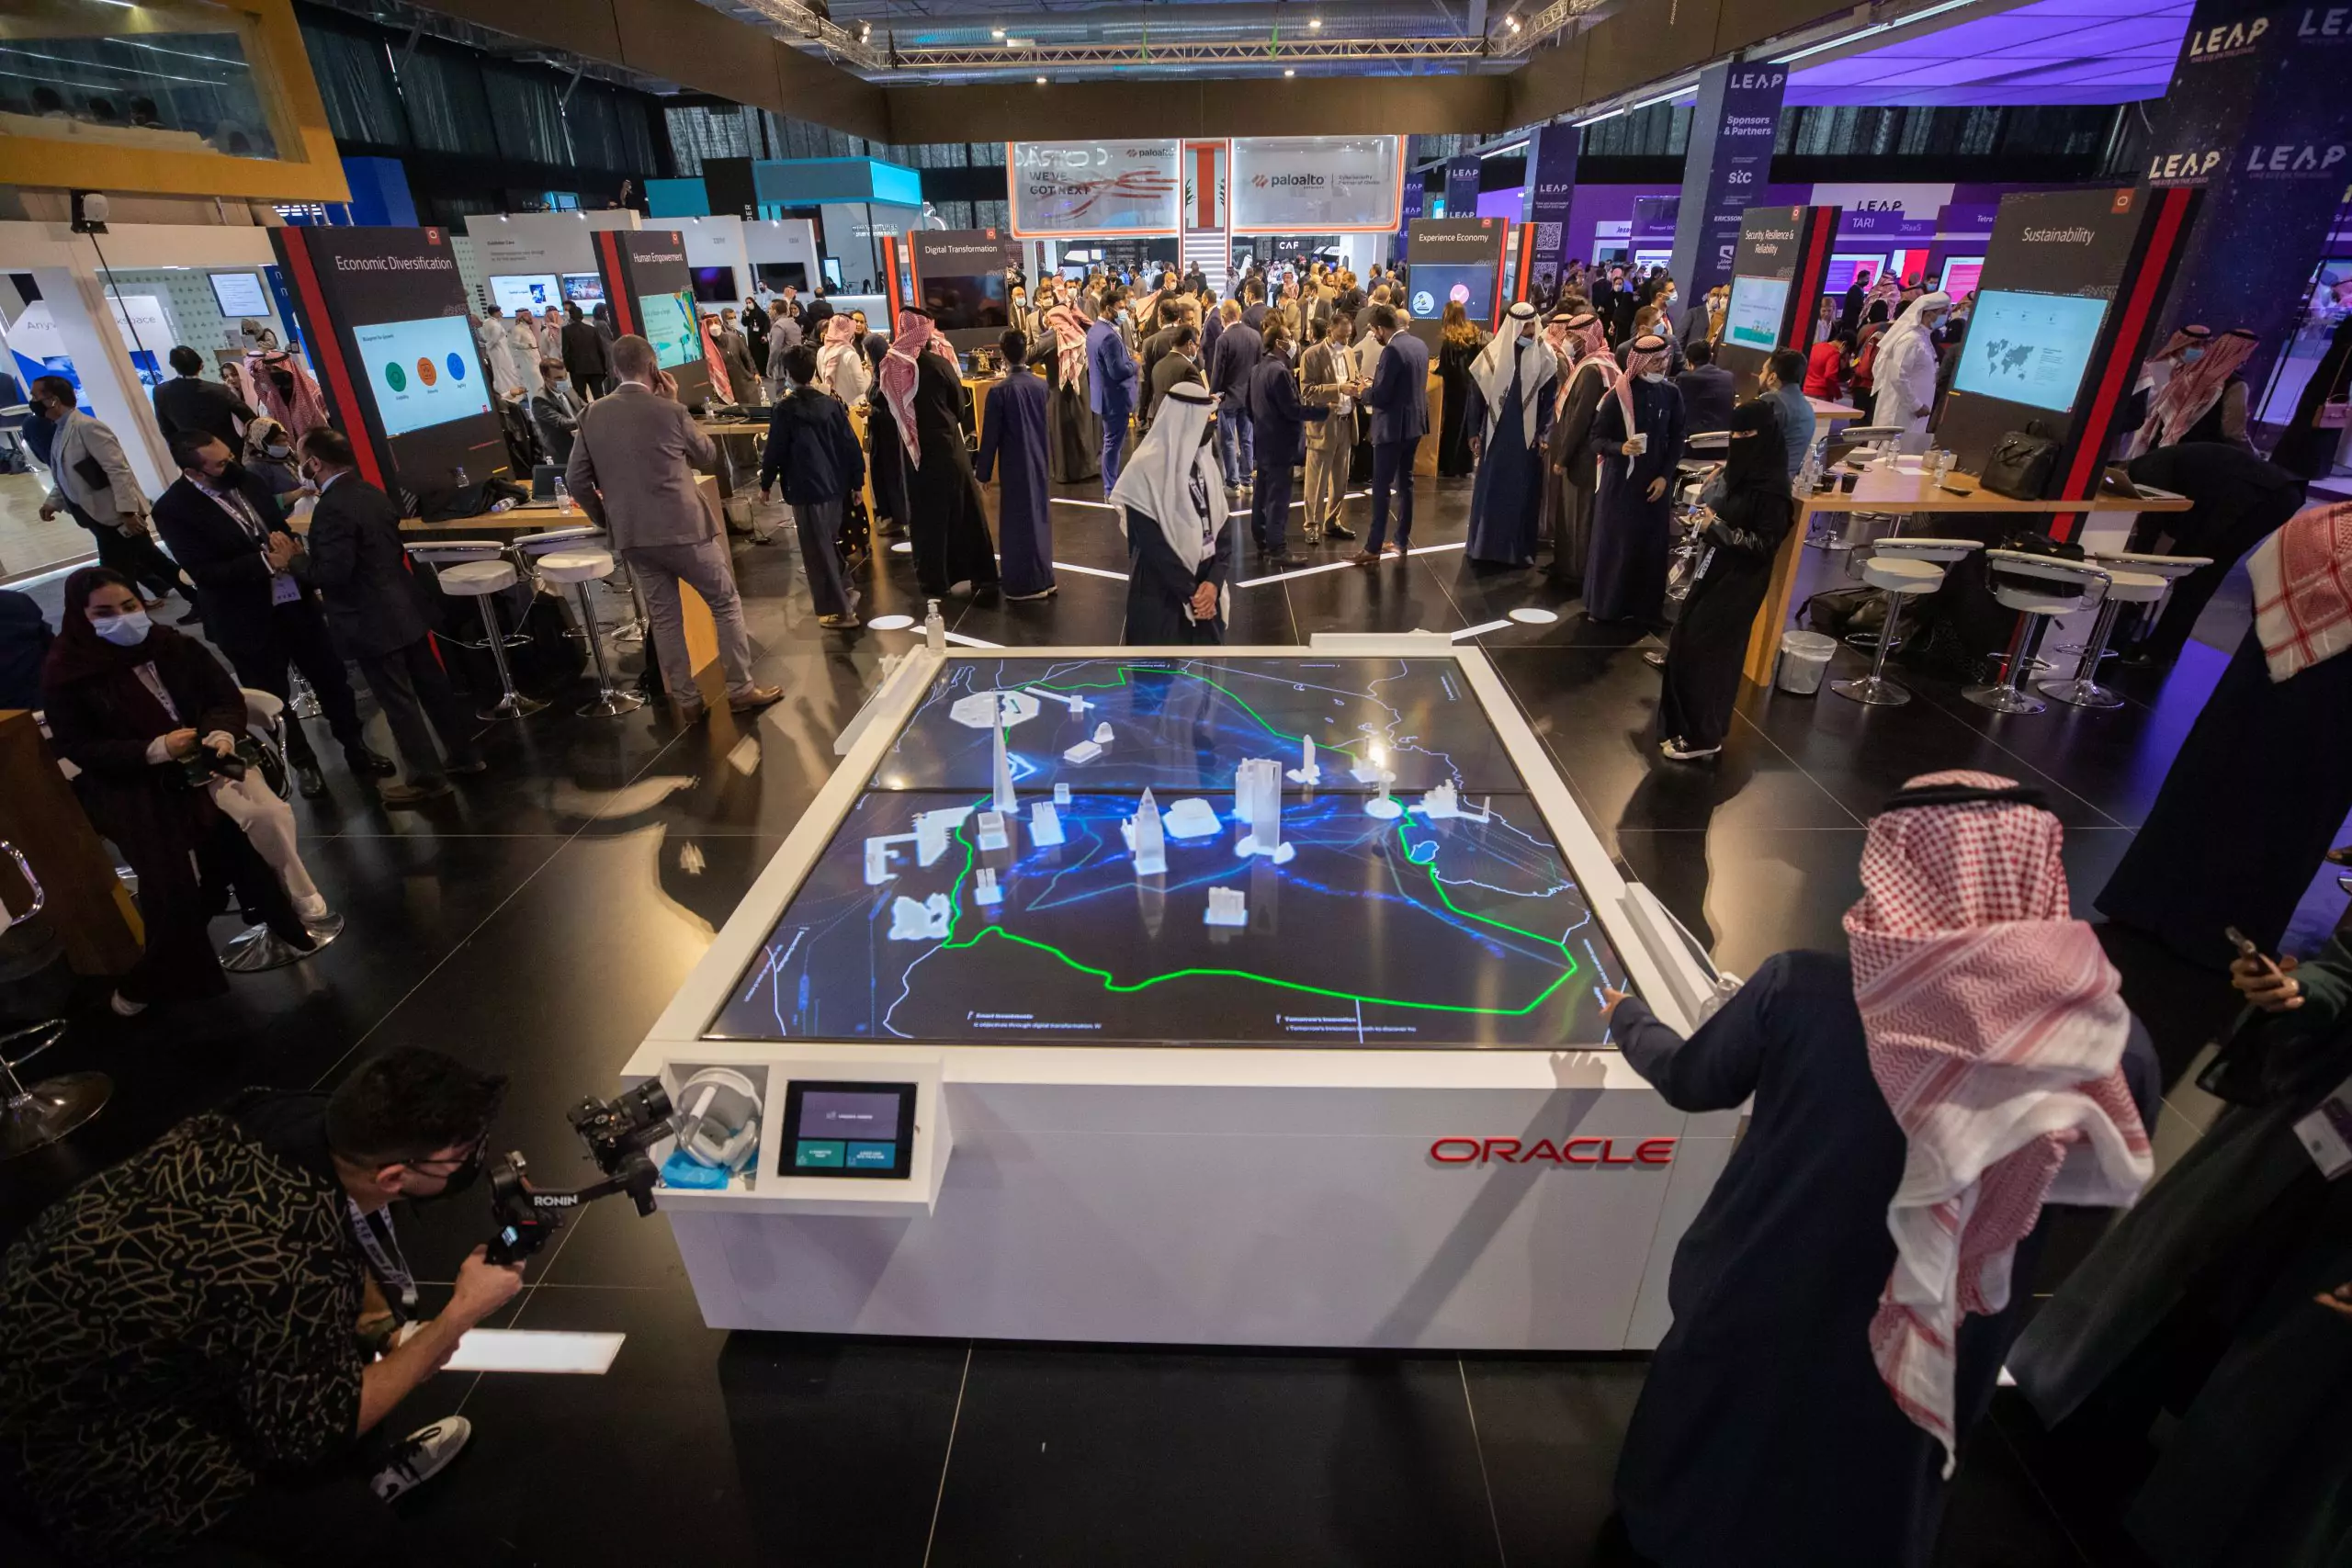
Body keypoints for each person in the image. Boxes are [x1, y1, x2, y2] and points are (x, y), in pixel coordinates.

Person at [1606, 771, 2157, 1568]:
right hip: (1941, 1325)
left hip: (1763, 1285)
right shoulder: (2114, 1049)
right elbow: (2079, 1204)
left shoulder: (1803, 989)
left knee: (1710, 1457)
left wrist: (1629, 1021)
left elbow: (1693, 1080)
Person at [0, 1043, 524, 1566]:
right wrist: (459, 1314)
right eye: (460, 1155)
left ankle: (364, 1470)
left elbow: (339, 1235)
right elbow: (314, 1431)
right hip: (77, 1453)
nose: (472, 1161)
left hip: (69, 1325)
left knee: (343, 1357)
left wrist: (380, 1323)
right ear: (392, 1178)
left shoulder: (279, 1117)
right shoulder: (288, 1261)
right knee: (352, 1528)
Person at [2010, 931, 2352, 1568]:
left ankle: (2190, 1517)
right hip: (2313, 1128)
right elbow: (2345, 970)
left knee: (2295, 1370)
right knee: (2193, 1274)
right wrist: (2297, 991)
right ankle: (2092, 1426)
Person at [39, 568, 322, 1012]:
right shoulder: (69, 673)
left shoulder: (174, 645)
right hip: (134, 781)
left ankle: (293, 901)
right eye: (104, 613)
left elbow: (223, 698)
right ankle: (161, 975)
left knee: (258, 819)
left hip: (206, 763)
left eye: (129, 606)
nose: (122, 618)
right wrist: (154, 749)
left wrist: (221, 733)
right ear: (80, 617)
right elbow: (79, 746)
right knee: (173, 878)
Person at [2096, 500, 2352, 965]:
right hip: (2333, 690)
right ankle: (2224, 936)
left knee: (2214, 767)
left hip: (2280, 632)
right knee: (2292, 800)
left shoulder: (2322, 523)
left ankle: (2147, 902)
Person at [152, 430, 388, 798]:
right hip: (244, 617)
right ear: (194, 472)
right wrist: (265, 562)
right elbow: (203, 572)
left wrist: (291, 551)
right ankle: (303, 763)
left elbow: (276, 526)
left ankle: (356, 747)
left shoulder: (247, 480)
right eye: (220, 464)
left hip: (294, 601)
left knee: (331, 677)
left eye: (230, 456)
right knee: (271, 696)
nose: (231, 465)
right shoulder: (172, 509)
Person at [564, 334, 783, 720]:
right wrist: (675, 403)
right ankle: (740, 689)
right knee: (724, 602)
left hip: (634, 536)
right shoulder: (670, 411)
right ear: (653, 368)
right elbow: (707, 454)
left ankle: (688, 700)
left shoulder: (591, 414)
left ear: (615, 369)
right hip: (684, 529)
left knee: (665, 618)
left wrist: (608, 518)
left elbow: (576, 479)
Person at [300, 430, 487, 804]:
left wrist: (293, 561)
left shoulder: (331, 508)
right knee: (434, 688)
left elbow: (333, 573)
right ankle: (465, 756)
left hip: (370, 618)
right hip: (405, 605)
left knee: (399, 702)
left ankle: (427, 779)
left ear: (315, 463)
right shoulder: (370, 492)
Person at [1656, 400, 1795, 761]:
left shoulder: (1773, 489)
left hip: (1741, 581)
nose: (1739, 440)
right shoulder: (1741, 472)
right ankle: (1690, 727)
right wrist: (1709, 518)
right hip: (1716, 567)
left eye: (1747, 433)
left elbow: (1764, 545)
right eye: (1735, 433)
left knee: (1710, 653)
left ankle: (1704, 735)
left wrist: (1715, 527)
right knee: (1689, 641)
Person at [27, 375, 202, 618]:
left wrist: (128, 512)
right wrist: (53, 501)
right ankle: (198, 600)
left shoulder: (87, 427)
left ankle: (136, 619)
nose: (32, 400)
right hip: (97, 515)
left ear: (53, 399)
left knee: (116, 574)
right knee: (151, 559)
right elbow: (65, 473)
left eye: (36, 395)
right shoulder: (61, 430)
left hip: (116, 516)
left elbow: (118, 470)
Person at [2118, 441, 2308, 665]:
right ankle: (2155, 645)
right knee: (2190, 567)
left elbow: (2152, 523)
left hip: (2264, 498)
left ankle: (2159, 652)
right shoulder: (2155, 463)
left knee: (2200, 576)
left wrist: (2138, 569)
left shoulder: (2145, 469)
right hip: (2256, 495)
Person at [880, 309, 1001, 600]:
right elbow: (959, 407)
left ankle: (934, 582)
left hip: (913, 453)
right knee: (965, 511)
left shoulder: (888, 366)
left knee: (926, 519)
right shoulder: (938, 364)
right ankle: (981, 575)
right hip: (946, 447)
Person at [757, 343, 865, 629]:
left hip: (805, 489)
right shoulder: (832, 404)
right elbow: (850, 445)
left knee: (817, 552)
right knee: (827, 542)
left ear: (788, 374)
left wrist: (765, 483)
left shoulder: (784, 409)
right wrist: (857, 483)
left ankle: (841, 612)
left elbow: (775, 450)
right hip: (835, 486)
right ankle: (846, 590)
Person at [1582, 334, 1687, 625]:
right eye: (1656, 361)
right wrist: (1621, 448)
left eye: (1665, 360)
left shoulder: (1671, 394)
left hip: (1656, 484)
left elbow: (1678, 437)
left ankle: (1644, 609)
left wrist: (1665, 477)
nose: (1663, 366)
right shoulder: (1618, 395)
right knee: (1617, 545)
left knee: (1650, 546)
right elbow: (1596, 439)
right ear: (1639, 363)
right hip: (1621, 484)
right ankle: (1607, 608)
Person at [1115, 383, 1230, 645]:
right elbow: (1153, 546)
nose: (1210, 425)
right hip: (1161, 600)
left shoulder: (1205, 462)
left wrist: (1213, 582)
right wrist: (1194, 594)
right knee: (1158, 671)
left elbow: (1223, 528)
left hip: (1205, 593)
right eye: (1205, 418)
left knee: (1207, 670)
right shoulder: (1143, 470)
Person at [1463, 302, 1556, 570]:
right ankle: (1483, 547)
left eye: (1532, 325)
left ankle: (1516, 552)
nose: (1530, 331)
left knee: (1521, 492)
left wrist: (1545, 432)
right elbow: (1476, 397)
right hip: (1496, 435)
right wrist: (1473, 431)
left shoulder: (1545, 355)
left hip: (1526, 439)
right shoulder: (1492, 354)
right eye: (1524, 327)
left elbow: (1550, 401)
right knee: (1491, 490)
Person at [975, 329, 1057, 602]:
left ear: (1002, 354)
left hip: (1015, 464)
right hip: (1040, 461)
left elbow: (990, 437)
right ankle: (1045, 577)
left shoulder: (999, 392)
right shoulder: (1040, 386)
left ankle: (1025, 584)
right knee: (1040, 518)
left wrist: (983, 473)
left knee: (1018, 523)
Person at [1543, 311, 1616, 591]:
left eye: (1574, 336)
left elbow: (1580, 419)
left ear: (1587, 338)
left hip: (1582, 456)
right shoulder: (1603, 363)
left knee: (1578, 515)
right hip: (1588, 454)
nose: (1569, 341)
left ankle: (1573, 570)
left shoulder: (1591, 370)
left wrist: (1562, 458)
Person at [1356, 304, 1430, 565]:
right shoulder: (1420, 345)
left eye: (1373, 331)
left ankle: (1372, 548)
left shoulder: (1392, 351)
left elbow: (1381, 395)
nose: (1374, 335)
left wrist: (1362, 391)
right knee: (1406, 484)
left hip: (1392, 428)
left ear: (1380, 329)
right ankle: (1400, 541)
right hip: (1414, 425)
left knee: (1381, 487)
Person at [1244, 317, 1316, 567]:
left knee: (1262, 495)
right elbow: (1293, 410)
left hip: (1263, 442)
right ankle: (1277, 548)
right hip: (1281, 446)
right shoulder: (1280, 372)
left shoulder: (1257, 369)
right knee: (1278, 499)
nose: (1293, 342)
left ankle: (1262, 541)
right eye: (1288, 338)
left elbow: (1249, 408)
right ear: (1278, 342)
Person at [2129, 326, 2259, 455]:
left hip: (2161, 446)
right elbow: (2233, 431)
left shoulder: (2189, 372)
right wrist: (2254, 455)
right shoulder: (2235, 385)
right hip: (2194, 454)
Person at [1298, 312, 1360, 545]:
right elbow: (1307, 391)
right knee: (1317, 481)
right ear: (1330, 331)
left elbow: (1354, 380)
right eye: (1342, 336)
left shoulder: (1350, 353)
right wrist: (1338, 388)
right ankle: (1311, 525)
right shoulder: (1312, 355)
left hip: (1346, 423)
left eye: (1348, 335)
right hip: (1323, 426)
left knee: (1340, 481)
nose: (1345, 340)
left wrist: (1359, 386)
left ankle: (1332, 522)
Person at [2274, 311, 2352, 479]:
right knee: (2319, 426)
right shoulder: (2344, 351)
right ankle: (2308, 465)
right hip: (2333, 390)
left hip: (2326, 387)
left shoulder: (2339, 349)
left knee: (2313, 423)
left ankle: (2295, 461)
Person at [1870, 291, 1950, 449]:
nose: (1946, 317)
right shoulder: (1910, 340)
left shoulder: (1923, 338)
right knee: (1887, 453)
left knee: (1904, 454)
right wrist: (1916, 404)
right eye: (1943, 312)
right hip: (1900, 411)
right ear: (1929, 314)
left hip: (1913, 413)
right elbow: (1898, 376)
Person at [1037, 296, 1102, 485]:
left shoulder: (1051, 337)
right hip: (1082, 392)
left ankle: (1064, 474)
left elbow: (1029, 355)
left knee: (1063, 435)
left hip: (1059, 394)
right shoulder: (1080, 334)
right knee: (1083, 431)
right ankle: (1087, 469)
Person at [1087, 288, 1139, 496]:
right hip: (1115, 399)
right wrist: (1136, 363)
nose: (1124, 311)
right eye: (1121, 308)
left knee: (1111, 443)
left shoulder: (1095, 330)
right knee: (1113, 445)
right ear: (1108, 309)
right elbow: (1117, 372)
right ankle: (1111, 489)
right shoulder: (1108, 336)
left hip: (1104, 396)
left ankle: (1111, 486)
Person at [153, 344, 254, 448]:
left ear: (172, 365)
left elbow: (166, 430)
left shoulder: (160, 392)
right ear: (201, 365)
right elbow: (248, 416)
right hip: (229, 449)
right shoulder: (219, 390)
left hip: (193, 452)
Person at [1209, 299, 1261, 498]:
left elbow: (1218, 373)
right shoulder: (1255, 336)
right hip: (1249, 397)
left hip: (1228, 398)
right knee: (1247, 439)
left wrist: (1213, 396)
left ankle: (1233, 484)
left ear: (1223, 317)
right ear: (1239, 313)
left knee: (1229, 441)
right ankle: (1247, 481)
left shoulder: (1223, 340)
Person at [863, 329, 910, 538]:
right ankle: (890, 515)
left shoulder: (889, 373)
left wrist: (872, 411)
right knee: (882, 472)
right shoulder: (879, 371)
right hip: (880, 431)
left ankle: (898, 518)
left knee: (892, 473)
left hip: (890, 434)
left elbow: (894, 408)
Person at [1435, 300, 1486, 478]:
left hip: (1454, 389)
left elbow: (1445, 368)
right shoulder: (1474, 335)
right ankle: (1464, 466)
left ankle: (1449, 465)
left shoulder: (1449, 341)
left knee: (1451, 426)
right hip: (1472, 386)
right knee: (1467, 427)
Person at [1758, 347, 1815, 481]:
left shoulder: (1772, 400)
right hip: (1784, 483)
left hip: (1760, 484)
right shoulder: (1807, 407)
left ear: (1772, 377)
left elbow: (1748, 447)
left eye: (1763, 371)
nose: (1760, 376)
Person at [1148, 320, 1205, 426]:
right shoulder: (1188, 368)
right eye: (1197, 346)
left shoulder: (1158, 366)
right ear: (1189, 344)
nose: (1197, 350)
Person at [1673, 338, 1736, 434]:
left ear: (1688, 361)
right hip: (1724, 435)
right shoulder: (1729, 376)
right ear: (1711, 356)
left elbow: (1675, 407)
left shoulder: (1685, 378)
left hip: (1695, 436)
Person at [529, 358, 585, 463]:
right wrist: (588, 419)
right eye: (559, 378)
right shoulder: (540, 400)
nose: (564, 381)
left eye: (565, 376)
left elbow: (585, 407)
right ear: (546, 378)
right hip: (562, 451)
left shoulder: (567, 388)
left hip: (580, 443)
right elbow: (562, 423)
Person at [815, 313, 867, 405]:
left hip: (830, 404)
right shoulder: (850, 355)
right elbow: (861, 388)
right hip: (853, 407)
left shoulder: (821, 351)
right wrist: (868, 372)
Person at [560, 301, 611, 397]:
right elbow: (600, 349)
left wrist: (570, 369)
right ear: (582, 315)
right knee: (599, 395)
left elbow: (566, 352)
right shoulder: (592, 329)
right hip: (595, 367)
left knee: (581, 397)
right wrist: (604, 368)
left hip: (577, 370)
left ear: (571, 316)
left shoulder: (566, 330)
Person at [1805, 328, 1850, 402]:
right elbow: (1830, 376)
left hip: (1806, 390)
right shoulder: (1834, 353)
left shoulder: (1816, 346)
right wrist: (1837, 393)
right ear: (1844, 344)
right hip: (1821, 394)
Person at [738, 295, 770, 376]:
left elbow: (766, 324)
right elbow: (744, 323)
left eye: (750, 302)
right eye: (747, 303)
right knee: (754, 354)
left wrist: (764, 335)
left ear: (753, 302)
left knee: (763, 354)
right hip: (752, 337)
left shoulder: (760, 312)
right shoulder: (746, 312)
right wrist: (745, 316)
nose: (748, 304)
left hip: (761, 336)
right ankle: (757, 372)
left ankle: (765, 371)